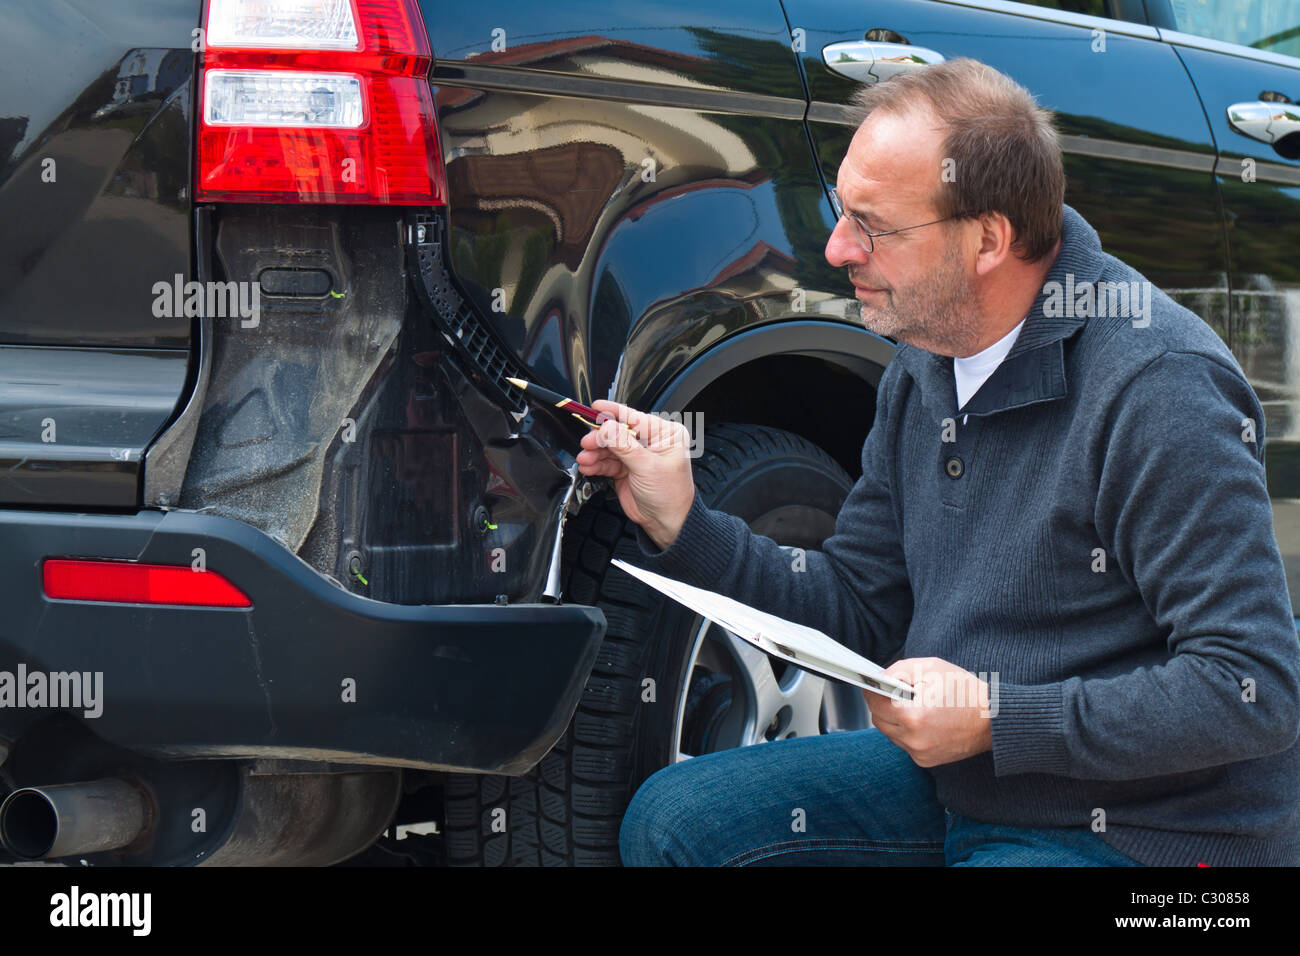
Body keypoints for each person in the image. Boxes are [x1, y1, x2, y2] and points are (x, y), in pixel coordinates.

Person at [574, 58, 1300, 867]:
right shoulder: (931, 356)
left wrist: (998, 717)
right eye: (842, 210)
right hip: (966, 783)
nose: (837, 247)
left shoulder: (1158, 387)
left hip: (1159, 839)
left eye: (874, 226)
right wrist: (683, 522)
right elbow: (859, 607)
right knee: (674, 823)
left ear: (987, 238)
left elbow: (1254, 690)